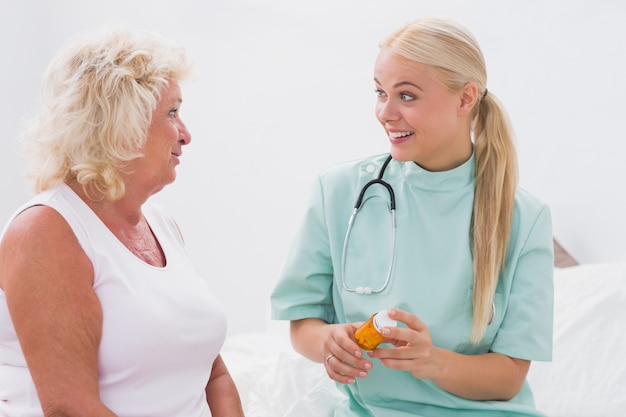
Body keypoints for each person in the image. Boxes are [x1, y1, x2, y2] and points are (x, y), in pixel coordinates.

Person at [270, 17, 553, 417]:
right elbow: (303, 322)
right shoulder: (337, 191)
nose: (385, 112)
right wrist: (328, 342)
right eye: (380, 92)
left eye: (406, 96)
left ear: (465, 98)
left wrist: (433, 361)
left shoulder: (525, 219)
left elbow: (508, 377)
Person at [0, 27, 244, 417]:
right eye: (173, 112)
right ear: (119, 123)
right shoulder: (46, 231)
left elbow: (212, 376)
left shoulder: (162, 225)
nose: (186, 134)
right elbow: (70, 408)